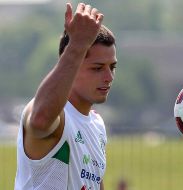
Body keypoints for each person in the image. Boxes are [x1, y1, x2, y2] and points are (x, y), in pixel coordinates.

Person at [14, 2, 117, 190]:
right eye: (97, 68)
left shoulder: (97, 125)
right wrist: (77, 45)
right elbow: (40, 120)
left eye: (112, 67)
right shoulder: (59, 116)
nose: (109, 77)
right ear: (73, 65)